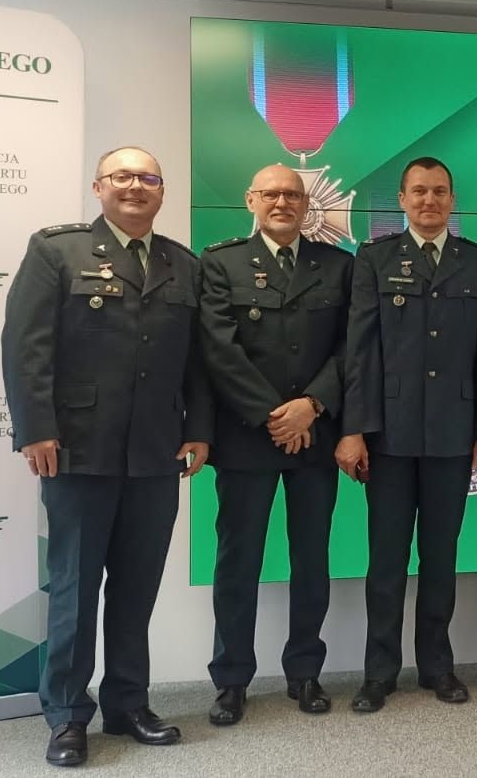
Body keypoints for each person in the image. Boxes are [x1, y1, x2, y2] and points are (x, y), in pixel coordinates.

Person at [0, 146, 212, 767]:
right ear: (99, 186)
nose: (135, 186)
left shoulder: (182, 264)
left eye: (148, 178)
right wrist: (36, 429)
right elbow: (25, 346)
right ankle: (67, 715)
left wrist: (199, 430)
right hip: (77, 447)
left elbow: (198, 360)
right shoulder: (56, 251)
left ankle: (127, 704)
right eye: (122, 176)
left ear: (162, 191)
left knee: (136, 587)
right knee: (75, 585)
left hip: (155, 450)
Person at [337, 156, 477, 712]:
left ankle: (437, 667)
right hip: (389, 435)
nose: (430, 201)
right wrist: (354, 429)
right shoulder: (374, 259)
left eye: (440, 192)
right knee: (386, 561)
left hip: (454, 434)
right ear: (402, 200)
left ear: (452, 201)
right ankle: (378, 673)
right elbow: (359, 351)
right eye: (419, 191)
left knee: (440, 558)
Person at [198, 163, 353, 726]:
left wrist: (312, 404)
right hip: (248, 437)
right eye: (271, 194)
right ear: (251, 200)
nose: (282, 202)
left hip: (315, 433)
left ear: (306, 203)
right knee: (238, 562)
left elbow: (352, 345)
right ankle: (231, 679)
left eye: (292, 194)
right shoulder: (221, 263)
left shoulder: (338, 266)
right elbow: (219, 348)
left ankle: (305, 672)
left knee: (311, 558)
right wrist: (274, 415)